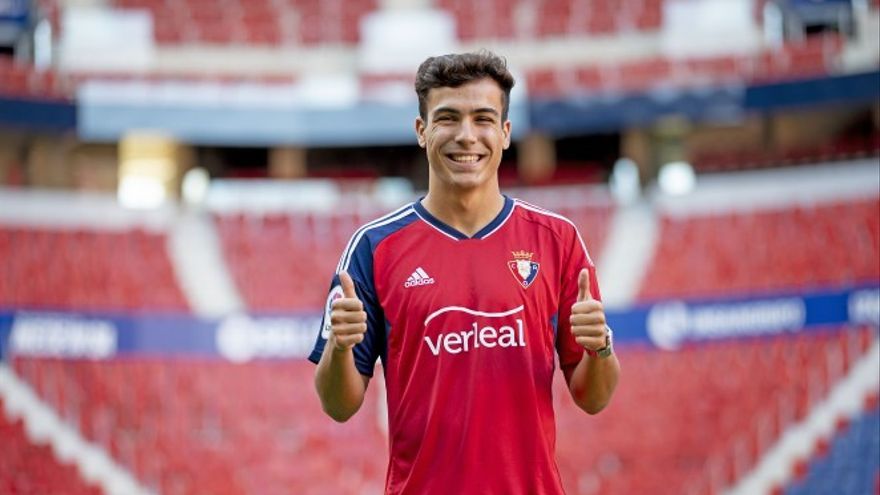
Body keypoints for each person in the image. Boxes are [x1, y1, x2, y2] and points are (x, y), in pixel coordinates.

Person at [309, 50, 620, 494]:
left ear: (506, 132)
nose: (466, 136)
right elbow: (338, 406)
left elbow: (594, 397)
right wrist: (340, 348)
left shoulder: (557, 240)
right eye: (448, 118)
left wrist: (600, 348)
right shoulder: (373, 248)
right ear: (422, 131)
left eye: (483, 119)